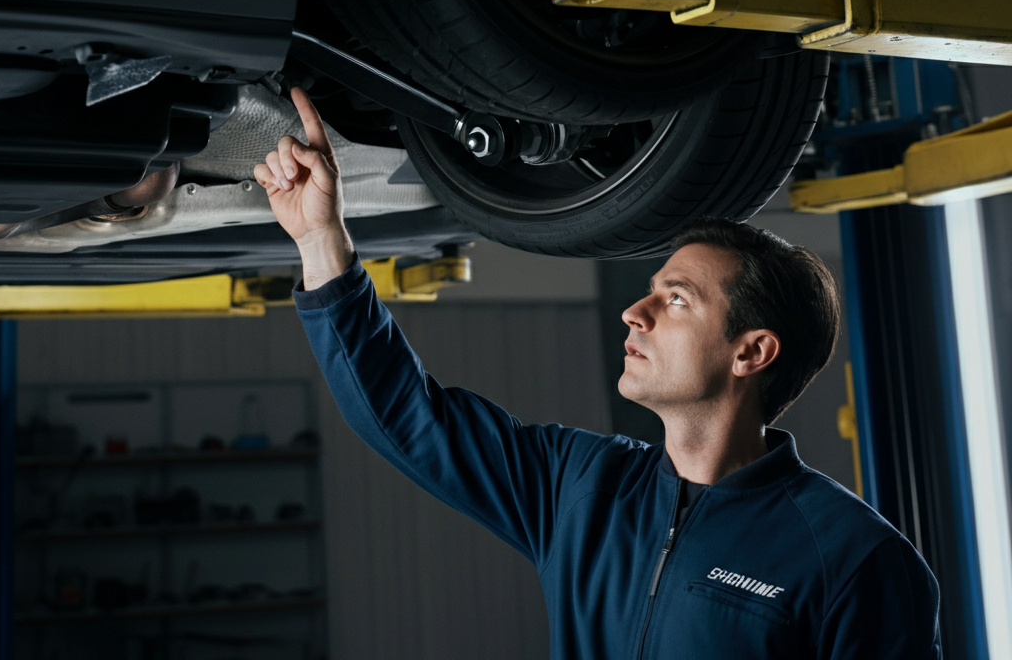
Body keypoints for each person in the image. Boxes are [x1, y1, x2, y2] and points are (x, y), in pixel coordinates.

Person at [255, 86, 941, 659]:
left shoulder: (854, 559)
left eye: (676, 299)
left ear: (751, 353)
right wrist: (322, 243)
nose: (635, 314)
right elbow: (409, 419)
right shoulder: (580, 487)